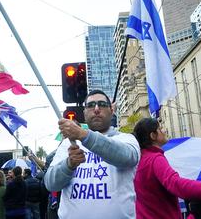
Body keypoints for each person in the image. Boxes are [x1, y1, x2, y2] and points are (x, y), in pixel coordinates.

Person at [44, 90, 140, 219]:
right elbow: (50, 184)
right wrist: (69, 165)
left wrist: (83, 135)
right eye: (90, 105)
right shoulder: (68, 144)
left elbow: (127, 158)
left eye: (102, 104)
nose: (96, 109)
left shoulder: (126, 139)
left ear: (112, 110)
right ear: (84, 113)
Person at [132, 118, 201, 218]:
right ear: (153, 135)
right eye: (160, 129)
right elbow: (175, 184)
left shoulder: (137, 160)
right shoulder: (155, 159)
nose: (164, 130)